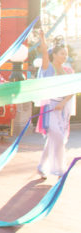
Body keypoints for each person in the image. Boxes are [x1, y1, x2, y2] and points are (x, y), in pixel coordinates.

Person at [36, 30, 75, 178]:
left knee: (55, 139)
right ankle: (60, 169)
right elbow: (44, 54)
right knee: (57, 137)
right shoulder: (48, 68)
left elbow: (72, 90)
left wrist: (63, 103)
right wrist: (42, 39)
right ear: (54, 54)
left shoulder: (68, 70)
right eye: (62, 54)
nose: (64, 56)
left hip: (62, 109)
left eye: (66, 54)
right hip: (50, 108)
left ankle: (41, 166)